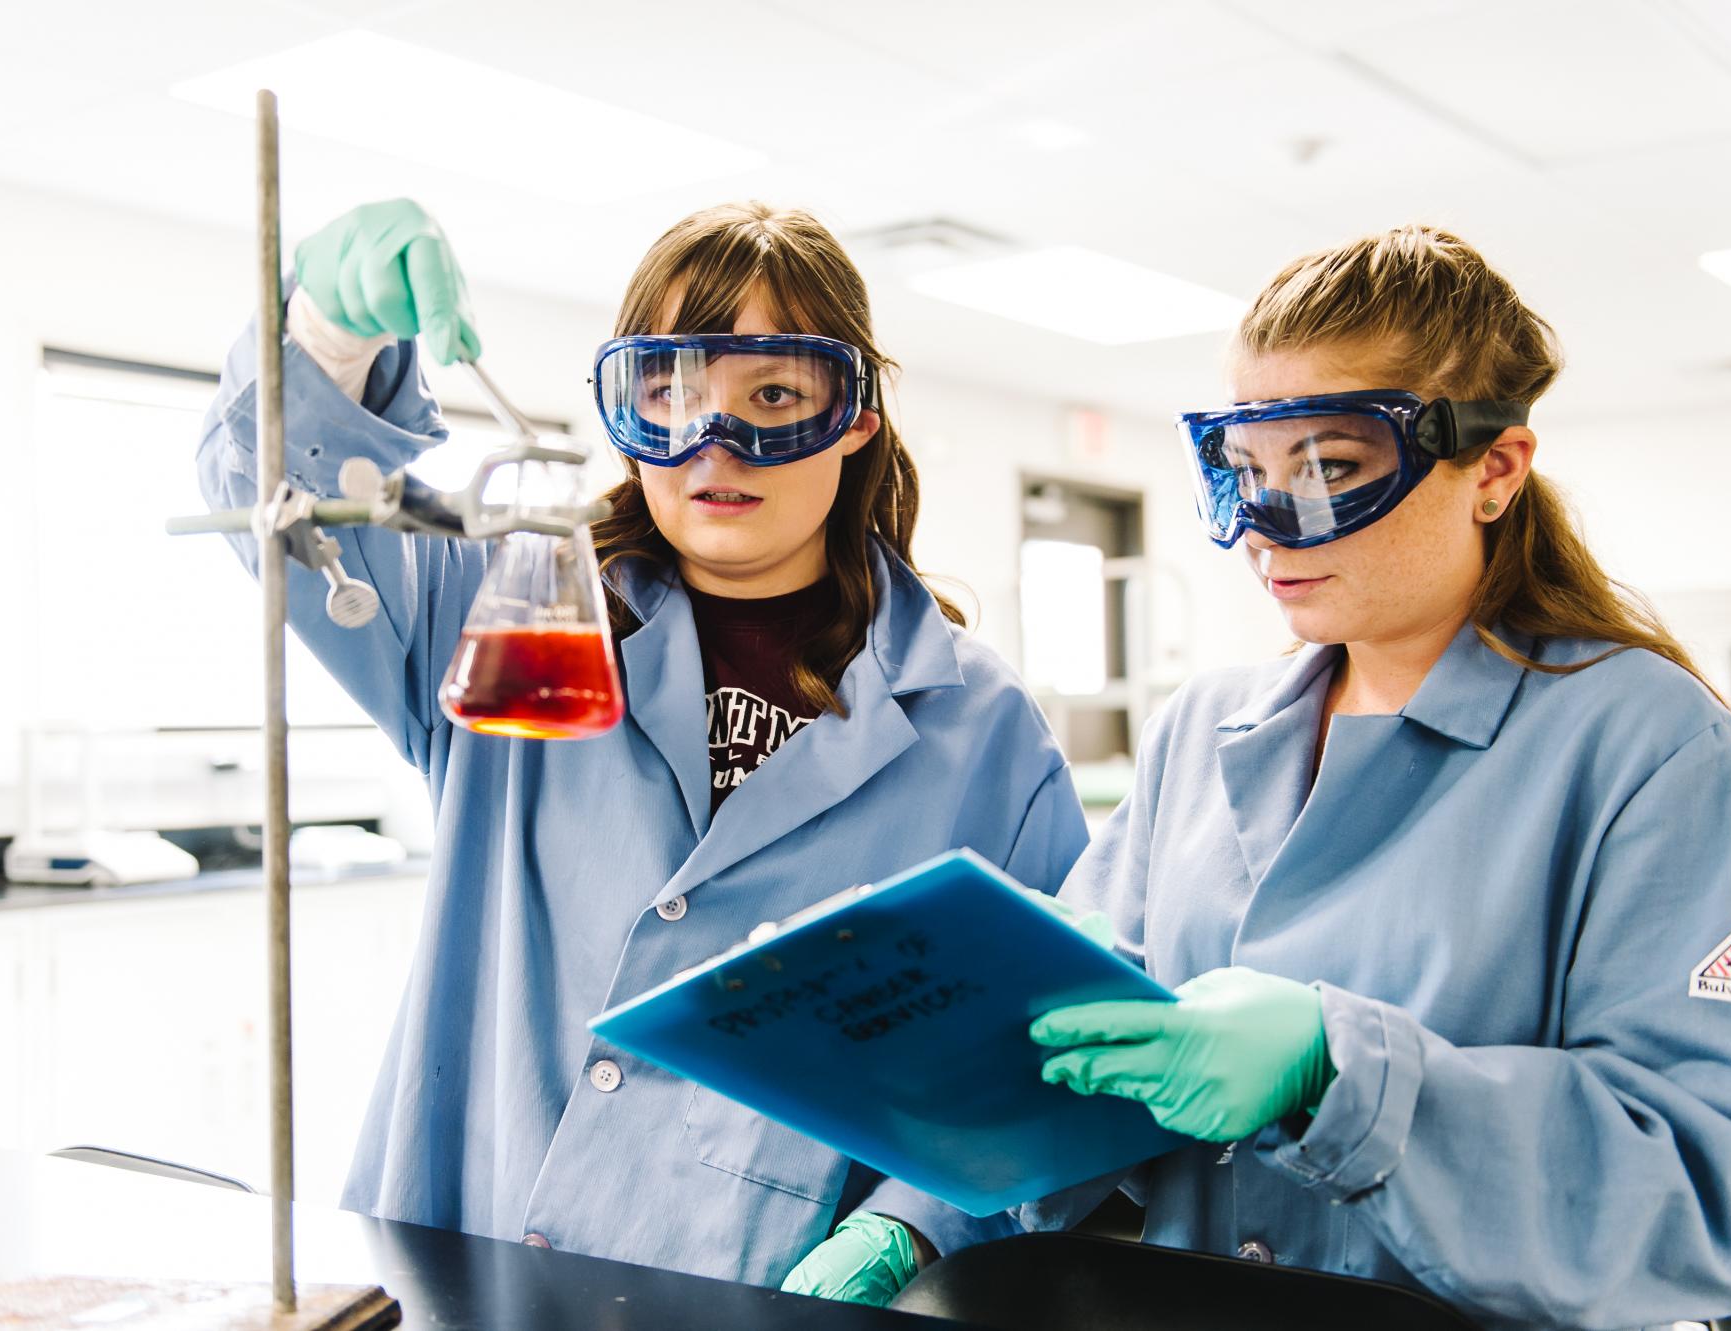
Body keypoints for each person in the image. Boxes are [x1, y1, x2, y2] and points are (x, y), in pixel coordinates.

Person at [195, 198, 1087, 1302]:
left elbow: (1036, 1059)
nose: (713, 441)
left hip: (753, 1294)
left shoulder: (979, 730)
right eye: (666, 390)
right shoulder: (513, 615)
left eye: (773, 395)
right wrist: (329, 337)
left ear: (853, 414)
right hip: (456, 1263)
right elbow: (274, 508)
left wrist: (912, 1225)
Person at [1020, 225, 1731, 1329]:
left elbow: (1708, 1187)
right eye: (1245, 473)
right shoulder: (1197, 730)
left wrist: (1336, 1074)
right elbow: (1069, 1044)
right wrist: (917, 1212)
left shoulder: (1652, 749)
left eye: (1329, 469)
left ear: (1492, 469)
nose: (1264, 525)